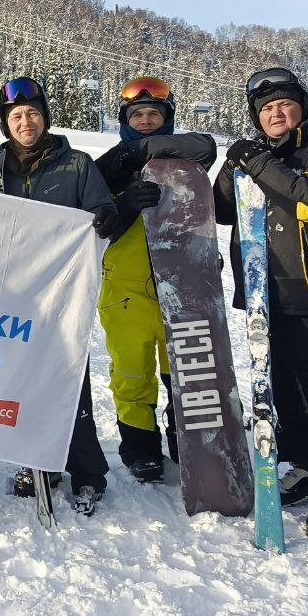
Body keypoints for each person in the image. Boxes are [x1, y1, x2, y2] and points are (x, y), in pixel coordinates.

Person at [213, 67, 308, 540]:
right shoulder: (264, 153)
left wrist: (256, 163)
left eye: (284, 105)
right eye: (265, 108)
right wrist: (231, 167)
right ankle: (306, 468)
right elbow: (222, 209)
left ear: (302, 108)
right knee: (281, 391)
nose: (275, 114)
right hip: (263, 292)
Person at [0, 76, 117, 516]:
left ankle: (87, 471)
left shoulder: (76, 164)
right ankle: (38, 461)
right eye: (15, 116)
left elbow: (106, 211)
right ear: (5, 123)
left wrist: (103, 215)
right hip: (16, 294)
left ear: (44, 116)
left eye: (31, 114)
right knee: (24, 378)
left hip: (65, 293)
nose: (24, 122)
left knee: (68, 378)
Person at [94, 76, 217, 483]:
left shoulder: (184, 157)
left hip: (180, 282)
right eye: (137, 115)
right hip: (124, 288)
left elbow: (208, 147)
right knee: (132, 373)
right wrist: (123, 202)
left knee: (184, 368)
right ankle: (140, 446)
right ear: (124, 119)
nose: (145, 121)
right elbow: (94, 222)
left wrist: (143, 152)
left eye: (153, 114)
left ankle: (186, 441)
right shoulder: (108, 164)